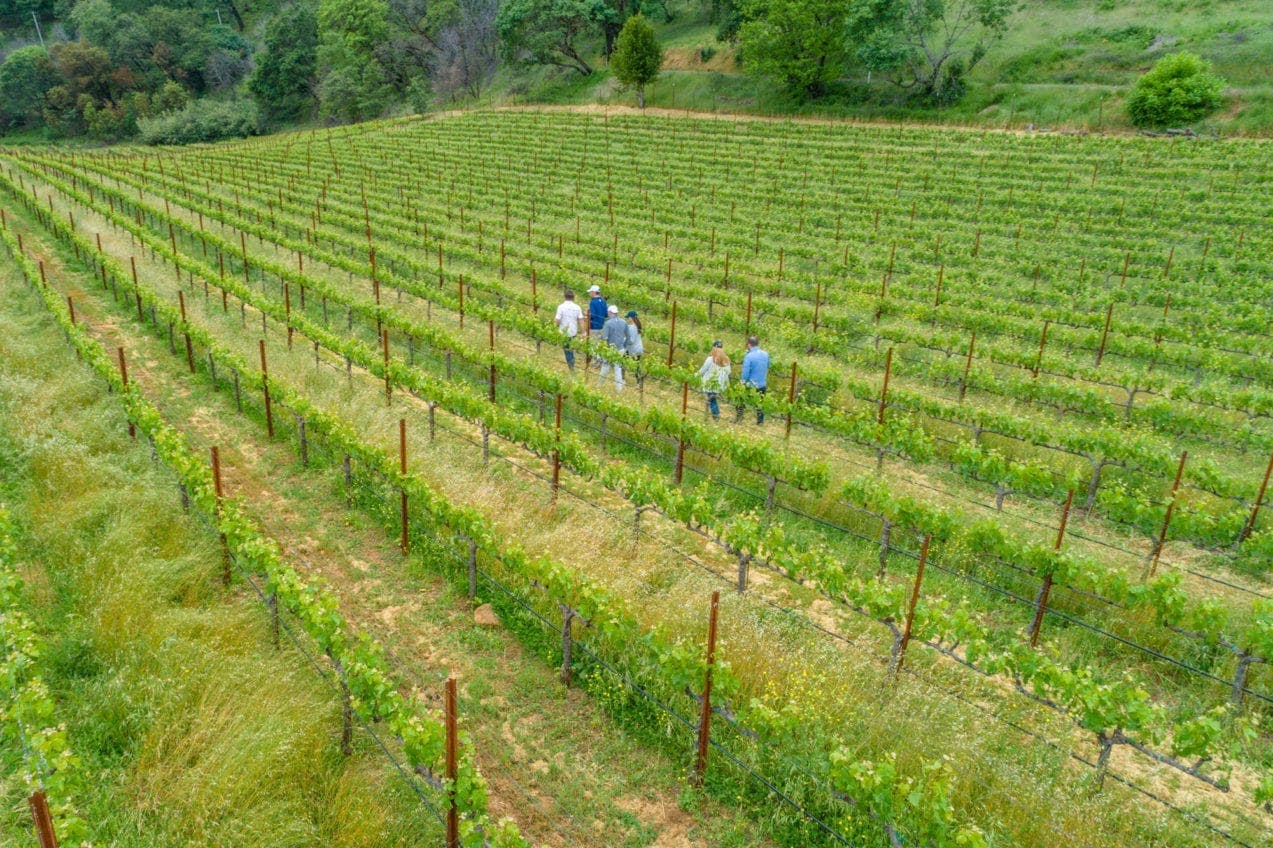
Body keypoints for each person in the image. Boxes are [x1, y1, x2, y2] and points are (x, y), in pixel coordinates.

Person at [736, 336, 770, 424]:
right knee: (760, 404)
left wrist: (742, 383)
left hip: (750, 385)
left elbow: (745, 373)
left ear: (749, 344)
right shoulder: (766, 354)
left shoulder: (749, 356)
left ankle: (739, 418)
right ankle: (760, 422)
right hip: (762, 384)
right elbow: (768, 366)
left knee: (740, 400)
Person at [696, 341, 730, 420]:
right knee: (712, 398)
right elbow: (728, 372)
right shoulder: (726, 360)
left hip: (709, 383)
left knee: (711, 399)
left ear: (713, 348)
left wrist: (694, 376)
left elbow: (703, 370)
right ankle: (713, 416)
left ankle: (715, 416)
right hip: (719, 384)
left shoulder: (710, 359)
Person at [598, 305, 628, 391]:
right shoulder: (624, 322)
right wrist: (623, 346)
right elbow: (628, 337)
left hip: (610, 349)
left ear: (610, 313)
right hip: (620, 349)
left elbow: (605, 337)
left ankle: (599, 385)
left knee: (605, 367)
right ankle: (619, 389)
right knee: (618, 369)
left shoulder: (608, 323)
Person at [553, 290, 583, 370]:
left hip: (564, 332)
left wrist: (553, 329)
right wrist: (584, 331)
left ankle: (571, 366)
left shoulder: (561, 307)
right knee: (570, 348)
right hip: (573, 332)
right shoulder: (577, 307)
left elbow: (557, 319)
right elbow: (580, 320)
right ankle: (572, 363)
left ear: (565, 297)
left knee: (567, 350)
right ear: (573, 298)